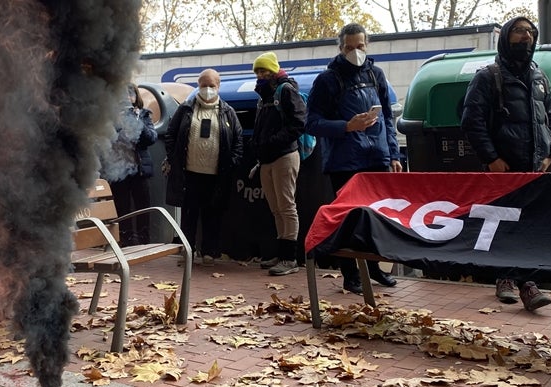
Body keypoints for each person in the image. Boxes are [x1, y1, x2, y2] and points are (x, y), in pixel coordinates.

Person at [460, 16, 551, 311]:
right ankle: (519, 282)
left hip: (534, 168)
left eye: (530, 32)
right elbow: (471, 121)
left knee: (528, 226)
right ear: (505, 37)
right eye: (518, 31)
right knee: (504, 225)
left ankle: (517, 280)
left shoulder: (540, 78)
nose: (525, 37)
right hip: (502, 170)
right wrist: (491, 158)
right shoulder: (487, 77)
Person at [305, 23, 402, 293]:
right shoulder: (327, 80)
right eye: (349, 48)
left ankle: (375, 269)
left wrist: (393, 154)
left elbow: (387, 117)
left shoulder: (376, 74)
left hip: (377, 158)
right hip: (344, 162)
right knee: (348, 219)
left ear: (367, 45)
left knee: (377, 217)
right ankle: (350, 274)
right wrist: (346, 126)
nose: (355, 52)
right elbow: (311, 123)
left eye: (360, 46)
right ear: (340, 48)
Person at [164, 68, 243, 266]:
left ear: (218, 86)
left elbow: (238, 141)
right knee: (188, 216)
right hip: (190, 174)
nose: (207, 89)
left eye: (211, 85)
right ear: (198, 86)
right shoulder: (185, 109)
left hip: (216, 175)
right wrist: (174, 158)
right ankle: (188, 252)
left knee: (213, 215)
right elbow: (171, 134)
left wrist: (231, 163)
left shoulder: (228, 112)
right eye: (203, 85)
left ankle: (210, 253)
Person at [251, 52, 306, 276]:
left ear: (273, 70)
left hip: (284, 155)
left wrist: (272, 142)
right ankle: (282, 253)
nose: (260, 75)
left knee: (286, 207)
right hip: (267, 158)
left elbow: (298, 123)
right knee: (276, 209)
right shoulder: (264, 96)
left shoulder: (286, 90)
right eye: (257, 71)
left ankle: (289, 258)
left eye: (264, 70)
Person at [103, 83, 157, 246]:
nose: (127, 97)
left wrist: (136, 121)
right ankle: (126, 242)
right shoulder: (110, 116)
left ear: (136, 97)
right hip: (118, 171)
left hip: (139, 170)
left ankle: (144, 242)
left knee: (143, 208)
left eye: (130, 93)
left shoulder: (143, 114)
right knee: (122, 208)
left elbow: (151, 138)